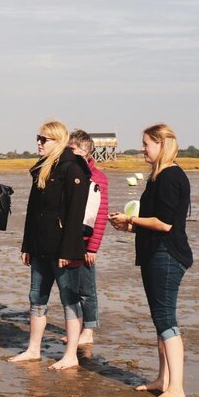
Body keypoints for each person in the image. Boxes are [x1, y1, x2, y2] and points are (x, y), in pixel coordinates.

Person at [109, 124, 192, 397]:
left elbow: (165, 223)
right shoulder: (158, 176)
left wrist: (131, 220)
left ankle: (177, 388)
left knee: (167, 321)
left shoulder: (170, 176)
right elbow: (155, 223)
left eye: (146, 144)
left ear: (162, 144)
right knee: (160, 321)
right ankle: (163, 380)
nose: (142, 148)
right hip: (155, 252)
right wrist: (128, 226)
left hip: (166, 255)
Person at [9, 121, 90, 370]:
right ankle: (33, 349)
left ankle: (71, 354)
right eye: (38, 138)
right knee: (37, 297)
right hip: (40, 247)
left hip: (63, 250)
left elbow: (76, 213)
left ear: (58, 141)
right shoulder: (42, 168)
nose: (39, 143)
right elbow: (33, 211)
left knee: (69, 298)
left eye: (44, 139)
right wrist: (27, 245)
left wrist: (68, 250)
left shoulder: (73, 167)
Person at [67, 129, 109, 345]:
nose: (68, 152)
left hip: (86, 243)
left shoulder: (98, 178)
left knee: (87, 290)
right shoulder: (67, 173)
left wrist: (93, 248)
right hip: (68, 242)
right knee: (70, 288)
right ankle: (76, 327)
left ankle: (89, 330)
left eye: (71, 148)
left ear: (85, 150)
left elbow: (101, 216)